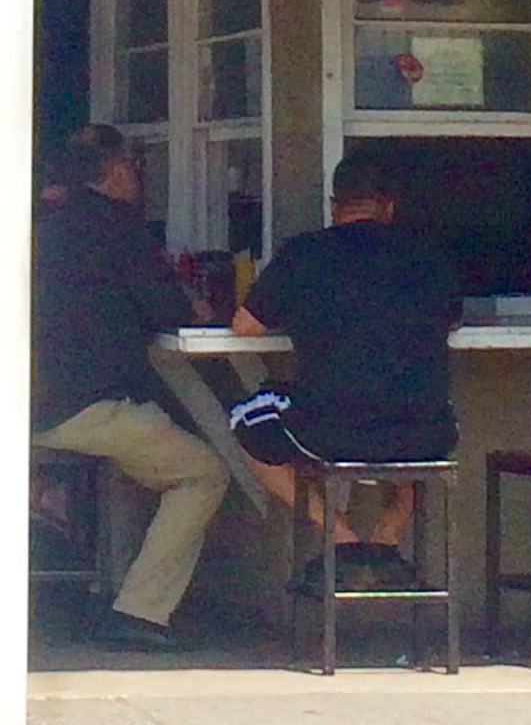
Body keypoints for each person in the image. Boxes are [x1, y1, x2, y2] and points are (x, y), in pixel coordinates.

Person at [32, 125, 229, 651]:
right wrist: (199, 303)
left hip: (25, 401)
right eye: (134, 168)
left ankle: (114, 587)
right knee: (202, 474)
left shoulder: (41, 226)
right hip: (88, 405)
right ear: (117, 172)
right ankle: (140, 612)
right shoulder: (120, 229)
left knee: (138, 463)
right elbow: (170, 310)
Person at [231, 154, 461, 572]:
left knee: (245, 421)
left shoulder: (305, 252)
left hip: (333, 429)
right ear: (388, 207)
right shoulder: (427, 256)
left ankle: (342, 537)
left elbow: (245, 325)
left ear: (335, 206)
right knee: (418, 422)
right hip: (429, 433)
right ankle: (389, 534)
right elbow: (453, 317)